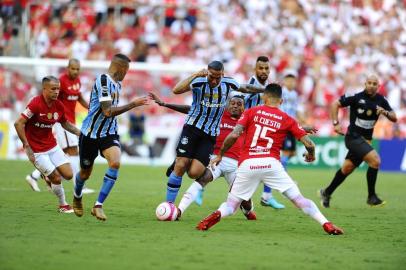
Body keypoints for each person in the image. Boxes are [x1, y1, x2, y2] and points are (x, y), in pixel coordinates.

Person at [196, 83, 343, 235]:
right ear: (282, 101)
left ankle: (211, 219)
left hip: (248, 163)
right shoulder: (286, 119)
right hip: (271, 164)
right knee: (299, 200)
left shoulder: (251, 112)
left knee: (231, 206)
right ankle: (327, 224)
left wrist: (220, 154)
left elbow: (234, 135)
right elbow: (310, 144)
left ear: (264, 97)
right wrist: (311, 155)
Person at [164, 60, 265, 204]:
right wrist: (196, 74)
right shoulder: (199, 81)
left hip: (210, 134)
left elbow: (245, 88)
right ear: (207, 72)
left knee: (194, 173)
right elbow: (176, 90)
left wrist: (264, 90)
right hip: (192, 128)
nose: (214, 80)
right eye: (212, 76)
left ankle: (185, 158)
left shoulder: (228, 83)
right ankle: (170, 205)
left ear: (222, 74)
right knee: (181, 165)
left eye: (218, 77)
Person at [150, 92, 256, 220]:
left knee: (245, 200)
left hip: (236, 165)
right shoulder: (218, 114)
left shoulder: (247, 120)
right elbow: (192, 109)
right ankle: (179, 211)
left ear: (244, 107)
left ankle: (247, 210)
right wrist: (166, 104)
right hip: (216, 159)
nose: (235, 106)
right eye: (232, 103)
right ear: (227, 105)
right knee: (202, 180)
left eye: (239, 104)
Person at [72, 54, 149, 221]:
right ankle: (77, 196)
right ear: (121, 68)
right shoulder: (103, 81)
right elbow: (107, 111)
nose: (126, 74)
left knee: (115, 162)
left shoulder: (118, 84)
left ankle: (98, 206)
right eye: (126, 70)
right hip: (90, 134)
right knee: (85, 174)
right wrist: (133, 104)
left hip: (109, 132)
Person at [319, 74, 397, 207]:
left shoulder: (381, 100)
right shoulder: (356, 96)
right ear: (365, 84)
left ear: (378, 86)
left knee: (347, 168)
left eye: (374, 84)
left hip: (366, 141)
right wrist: (336, 123)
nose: (371, 86)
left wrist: (385, 113)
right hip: (353, 138)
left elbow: (394, 117)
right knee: (375, 161)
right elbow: (335, 104)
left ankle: (326, 192)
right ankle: (371, 197)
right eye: (369, 83)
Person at [25, 59, 94, 194]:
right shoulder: (60, 82)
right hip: (63, 122)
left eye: (77, 69)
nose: (75, 71)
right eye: (73, 69)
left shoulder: (77, 81)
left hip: (71, 121)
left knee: (65, 154)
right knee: (73, 151)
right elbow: (49, 98)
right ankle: (78, 185)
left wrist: (90, 108)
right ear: (67, 68)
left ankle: (34, 176)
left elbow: (78, 97)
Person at [14, 76, 81, 213]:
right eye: (53, 89)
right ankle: (63, 205)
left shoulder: (58, 105)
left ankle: (46, 175)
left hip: (52, 146)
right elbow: (18, 123)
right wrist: (26, 146)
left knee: (68, 175)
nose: (56, 92)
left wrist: (81, 134)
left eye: (58, 89)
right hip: (36, 150)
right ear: (44, 89)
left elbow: (65, 124)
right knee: (56, 177)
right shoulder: (35, 103)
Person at [243, 56, 286, 209]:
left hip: (262, 133)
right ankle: (201, 185)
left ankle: (267, 196)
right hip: (247, 133)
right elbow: (239, 104)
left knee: (274, 161)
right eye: (260, 68)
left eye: (266, 68)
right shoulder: (250, 85)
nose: (264, 71)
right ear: (255, 69)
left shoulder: (270, 87)